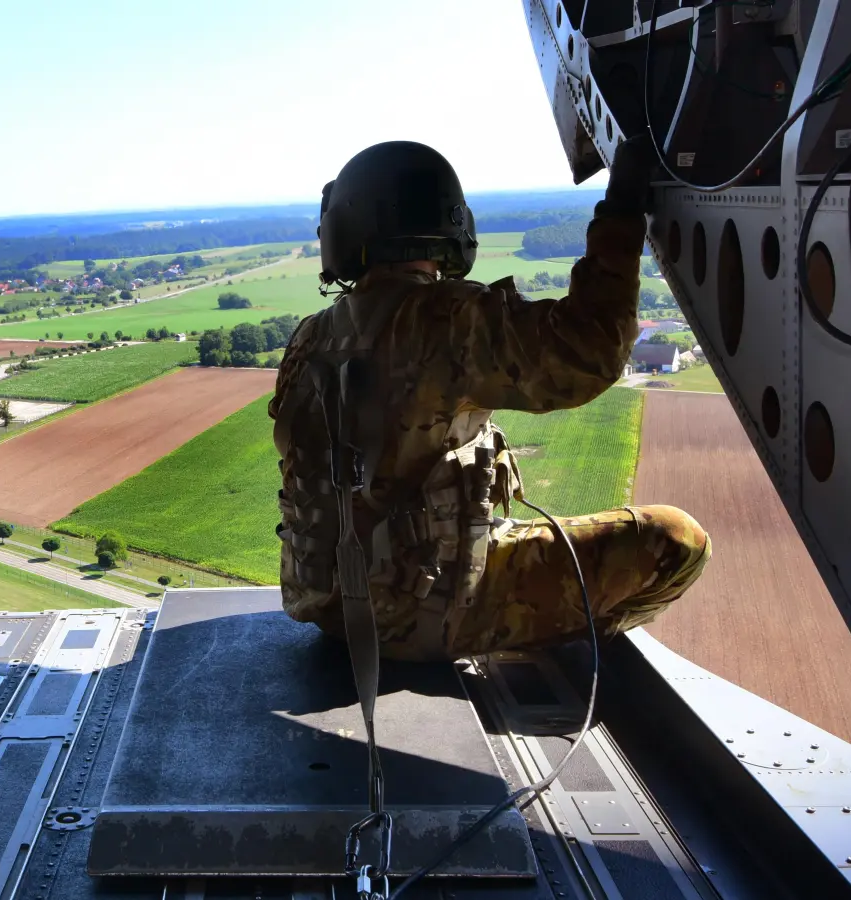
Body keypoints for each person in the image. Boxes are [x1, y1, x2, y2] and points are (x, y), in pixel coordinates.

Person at [269, 136, 710, 662]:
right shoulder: (447, 320)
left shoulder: (309, 338)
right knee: (677, 540)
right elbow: (588, 354)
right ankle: (559, 654)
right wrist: (620, 214)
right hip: (421, 618)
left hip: (329, 609)